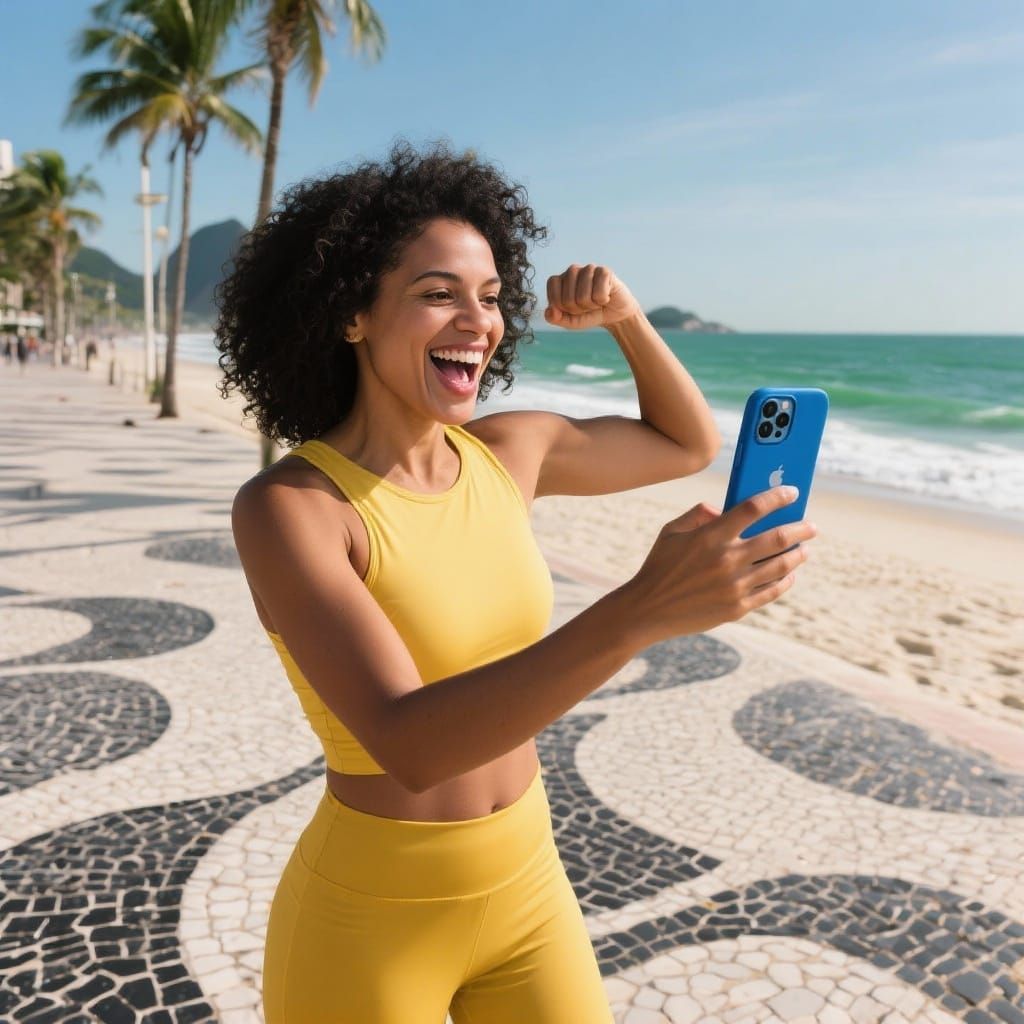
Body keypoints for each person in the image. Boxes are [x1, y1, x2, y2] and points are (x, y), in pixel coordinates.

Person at [217, 140, 815, 1024]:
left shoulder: (507, 452)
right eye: (438, 294)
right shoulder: (294, 507)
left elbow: (684, 444)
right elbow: (409, 746)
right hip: (369, 920)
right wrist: (642, 609)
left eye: (491, 298)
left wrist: (627, 318)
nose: (478, 321)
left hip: (528, 880)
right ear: (352, 315)